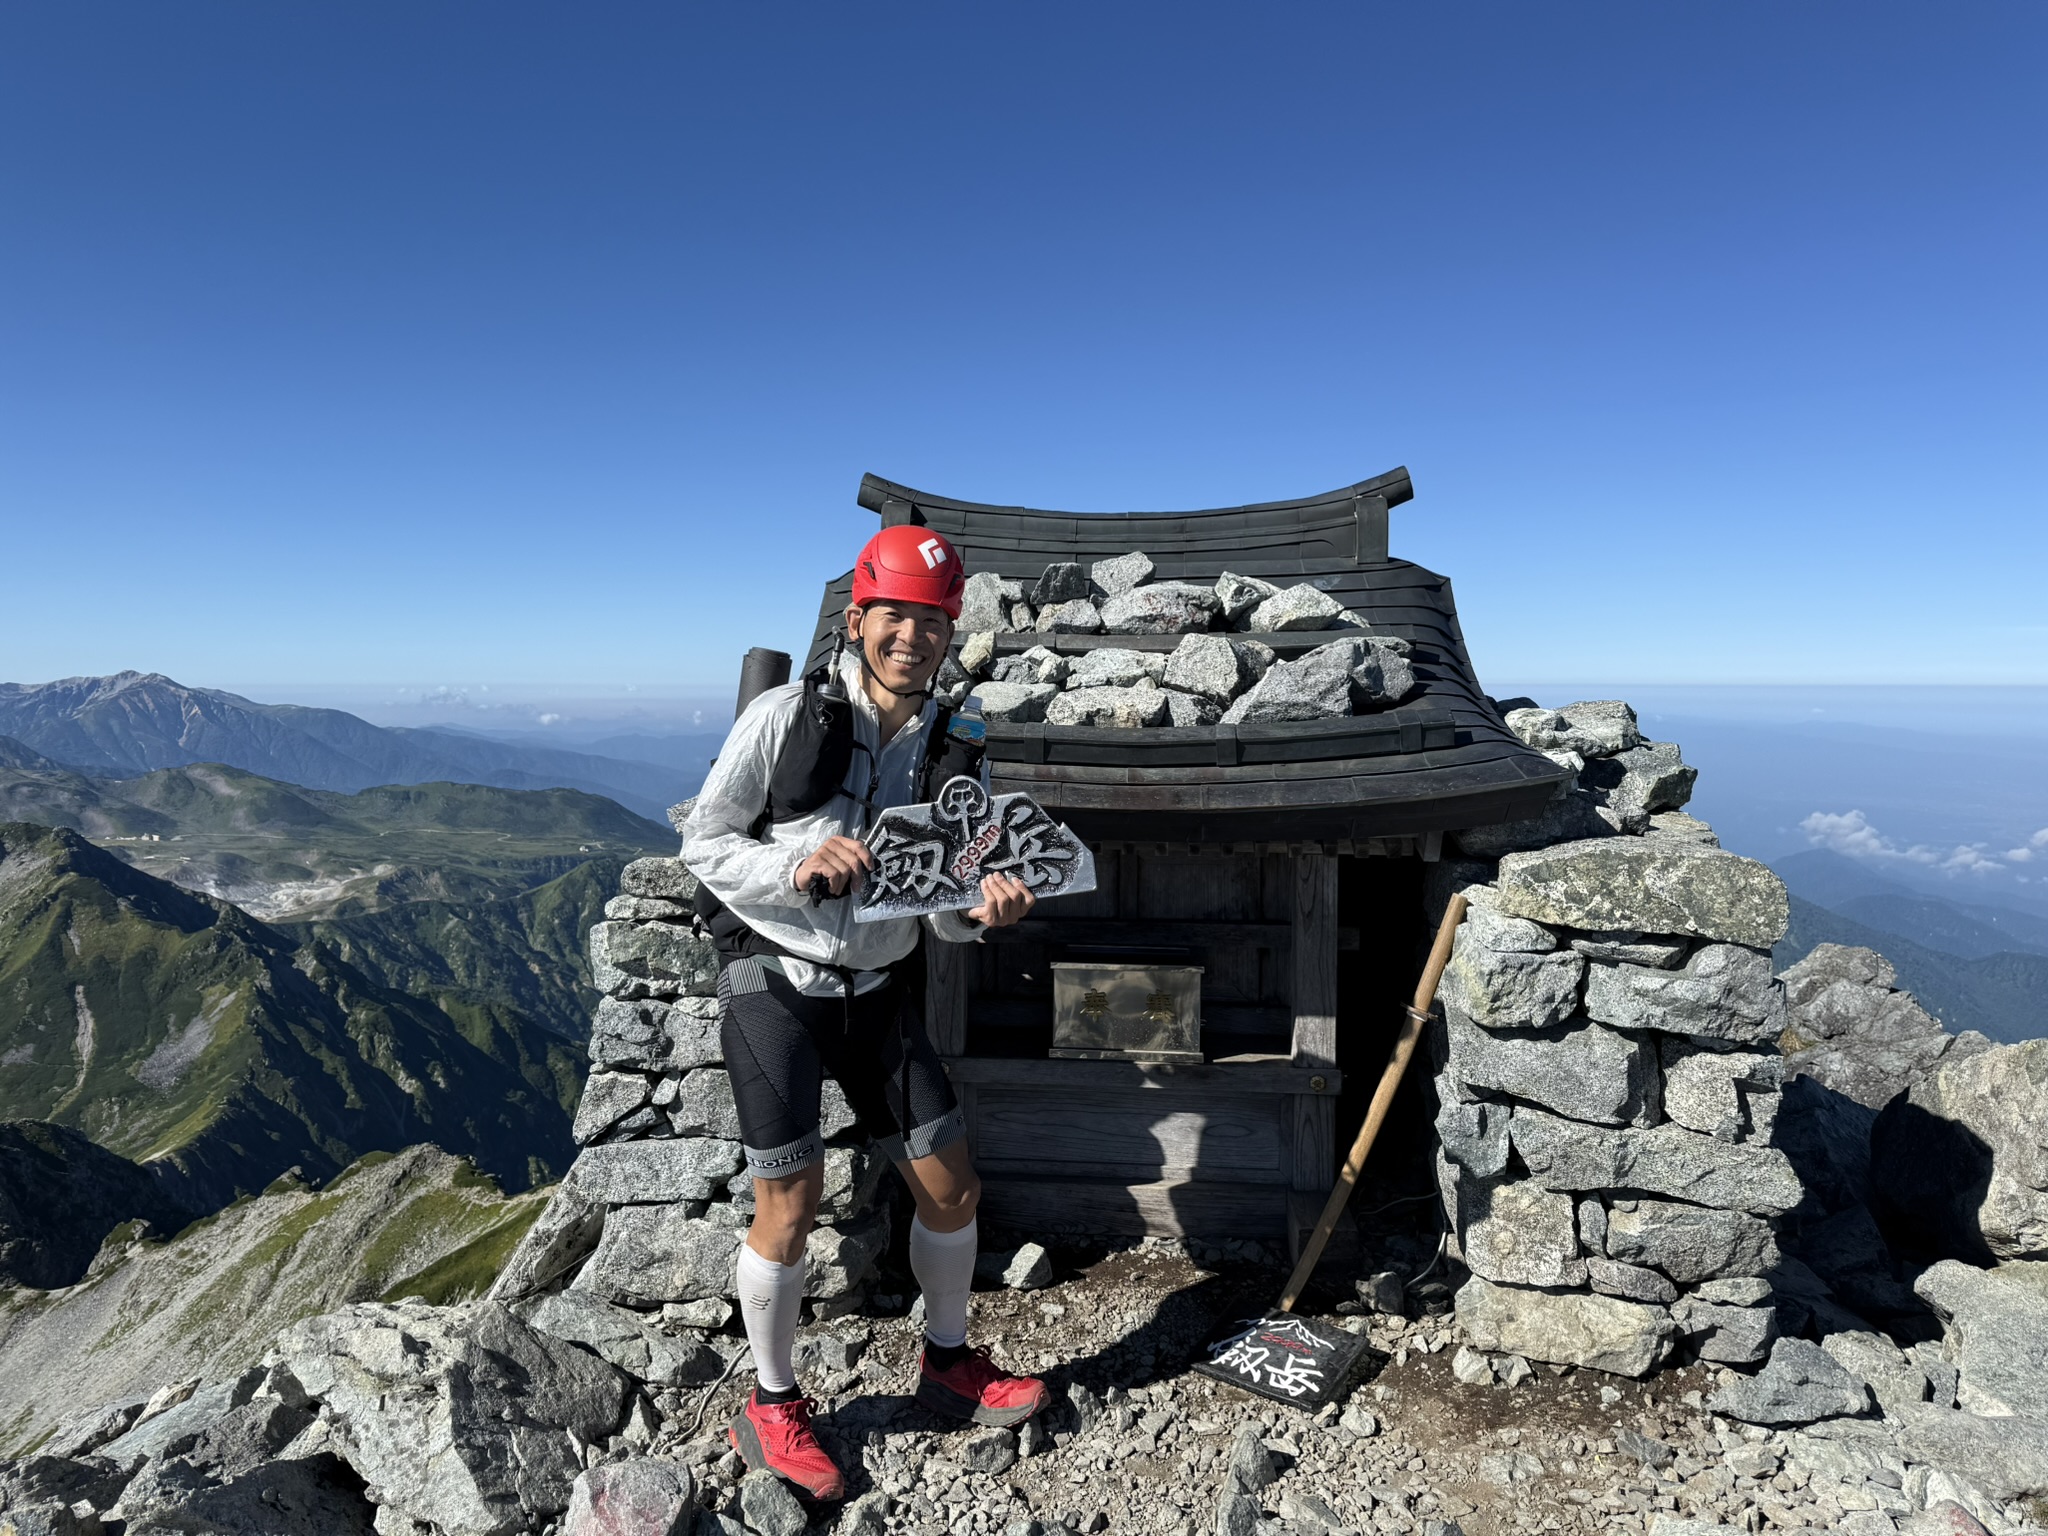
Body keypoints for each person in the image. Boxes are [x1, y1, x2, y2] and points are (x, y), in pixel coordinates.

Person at [680, 524, 1050, 1503]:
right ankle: (772, 1402)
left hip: (879, 992)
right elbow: (705, 842)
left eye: (929, 623)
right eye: (894, 618)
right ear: (859, 620)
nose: (910, 639)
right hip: (776, 986)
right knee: (788, 1207)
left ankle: (945, 1362)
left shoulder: (954, 748)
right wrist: (793, 867)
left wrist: (980, 913)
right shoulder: (781, 717)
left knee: (952, 1189)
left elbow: (947, 894)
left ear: (947, 631)